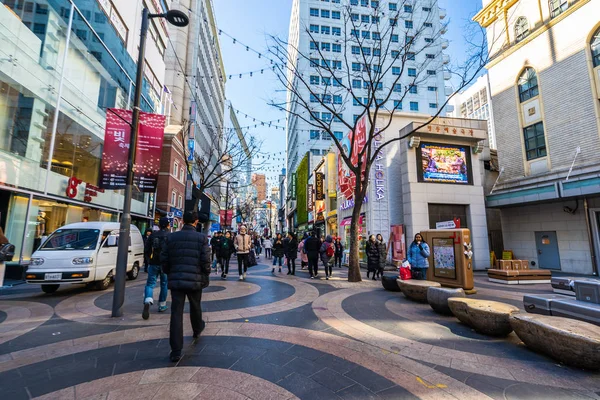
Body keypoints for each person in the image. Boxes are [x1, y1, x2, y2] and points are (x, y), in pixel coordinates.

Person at [160, 211, 211, 362]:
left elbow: (164, 259)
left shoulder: (171, 237)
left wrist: (170, 271)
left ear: (183, 221)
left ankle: (176, 350)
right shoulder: (201, 238)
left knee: (176, 312)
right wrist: (206, 273)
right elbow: (206, 260)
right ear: (196, 222)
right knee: (195, 306)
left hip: (176, 279)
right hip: (195, 279)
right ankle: (197, 329)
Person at [142, 218, 170, 320]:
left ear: (158, 226)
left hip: (153, 263)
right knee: (164, 284)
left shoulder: (152, 235)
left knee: (150, 284)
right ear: (168, 225)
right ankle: (162, 305)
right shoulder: (170, 236)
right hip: (165, 264)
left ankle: (148, 300)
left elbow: (146, 249)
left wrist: (149, 260)